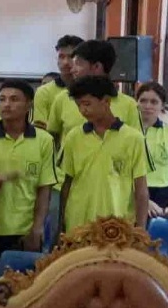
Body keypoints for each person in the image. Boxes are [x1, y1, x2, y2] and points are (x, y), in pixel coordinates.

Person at [0, 81, 56, 280]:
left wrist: (37, 229)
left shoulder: (44, 140)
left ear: (29, 105)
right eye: (2, 99)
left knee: (26, 290)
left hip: (25, 231)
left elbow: (44, 189)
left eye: (14, 99)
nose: (6, 104)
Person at [59, 76, 152, 232]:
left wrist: (141, 230)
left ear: (106, 101)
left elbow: (141, 189)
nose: (83, 110)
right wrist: (61, 224)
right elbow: (67, 183)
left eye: (87, 104)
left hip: (117, 225)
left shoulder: (133, 139)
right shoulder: (73, 137)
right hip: (78, 224)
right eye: (78, 105)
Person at [47, 39, 141, 137]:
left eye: (78, 64)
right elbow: (52, 138)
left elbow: (137, 141)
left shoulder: (129, 105)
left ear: (97, 66)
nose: (72, 70)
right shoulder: (62, 99)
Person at [136, 83, 168, 218]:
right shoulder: (127, 132)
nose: (147, 106)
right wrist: (144, 200)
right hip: (133, 192)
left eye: (154, 102)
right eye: (143, 101)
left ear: (162, 105)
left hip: (162, 194)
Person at [35, 35, 81, 128]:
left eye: (71, 57)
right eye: (61, 57)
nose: (65, 62)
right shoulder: (44, 92)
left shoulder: (90, 90)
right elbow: (40, 128)